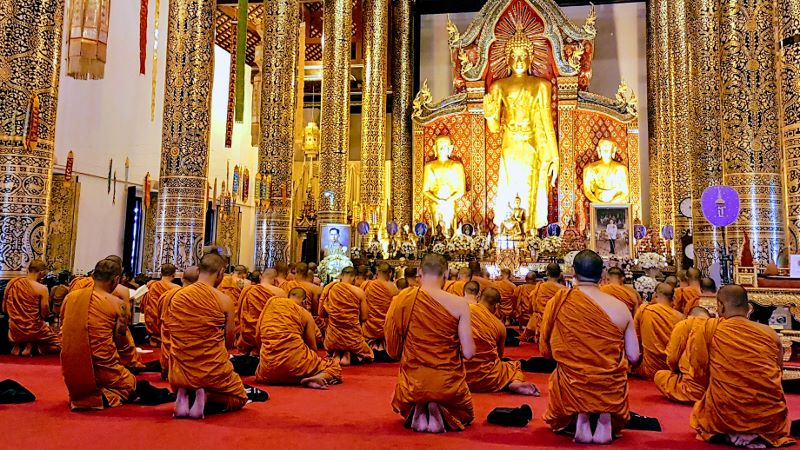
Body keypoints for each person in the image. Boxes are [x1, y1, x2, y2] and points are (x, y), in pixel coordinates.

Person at [540, 250, 639, 444]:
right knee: (612, 370)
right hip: (609, 385)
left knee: (566, 370)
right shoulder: (620, 307)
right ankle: (604, 418)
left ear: (573, 273)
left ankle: (582, 416)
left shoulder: (560, 302)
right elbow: (634, 356)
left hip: (572, 382)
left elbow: (546, 350)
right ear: (602, 274)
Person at [689, 285, 793, 448]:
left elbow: (697, 371)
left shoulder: (709, 329)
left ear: (720, 306)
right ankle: (755, 432)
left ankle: (732, 430)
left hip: (725, 415)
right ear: (749, 308)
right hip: (768, 419)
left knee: (700, 409)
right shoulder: (770, 334)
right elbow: (779, 369)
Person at [386, 253, 475, 433]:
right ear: (447, 273)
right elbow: (469, 353)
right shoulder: (460, 304)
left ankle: (420, 406)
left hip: (414, 381)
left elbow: (392, 347)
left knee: (415, 385)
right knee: (464, 412)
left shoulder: (402, 299)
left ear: (419, 272)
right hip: (447, 383)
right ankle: (438, 407)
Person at [163, 253, 248, 419]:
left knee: (188, 378)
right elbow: (230, 341)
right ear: (221, 273)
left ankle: (185, 393)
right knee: (238, 397)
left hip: (178, 372)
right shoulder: (224, 300)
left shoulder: (175, 297)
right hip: (210, 371)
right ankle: (207, 395)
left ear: (198, 270)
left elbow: (168, 334)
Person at [60, 259, 136, 410]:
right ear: (116, 280)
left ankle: (84, 394)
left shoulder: (70, 298)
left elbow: (63, 328)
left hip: (72, 370)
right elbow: (121, 341)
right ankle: (99, 398)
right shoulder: (117, 304)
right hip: (104, 369)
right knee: (130, 383)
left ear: (93, 275)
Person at [255, 287, 342, 388]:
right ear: (305, 301)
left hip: (268, 373)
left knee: (260, 369)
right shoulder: (304, 313)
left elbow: (258, 337)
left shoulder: (270, 306)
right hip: (297, 366)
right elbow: (313, 348)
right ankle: (317, 377)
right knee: (333, 368)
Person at [465, 287, 539, 395]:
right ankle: (514, 383)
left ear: (479, 297)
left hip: (459, 376)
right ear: (497, 306)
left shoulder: (464, 311)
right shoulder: (499, 326)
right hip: (486, 379)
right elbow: (499, 356)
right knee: (513, 367)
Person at [654, 306, 711, 403]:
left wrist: (676, 371)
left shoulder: (685, 324)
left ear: (688, 316)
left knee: (660, 376)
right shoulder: (717, 327)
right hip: (715, 388)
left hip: (692, 387)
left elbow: (672, 358)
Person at [3, 259, 60, 356]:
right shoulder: (42, 288)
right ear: (41, 273)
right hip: (33, 329)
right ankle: (33, 346)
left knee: (22, 322)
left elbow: (4, 308)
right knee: (60, 344)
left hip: (14, 328)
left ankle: (18, 345)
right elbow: (44, 314)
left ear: (28, 270)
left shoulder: (12, 283)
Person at [319, 267, 373, 365]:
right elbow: (364, 317)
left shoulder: (330, 288)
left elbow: (321, 313)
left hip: (332, 338)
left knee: (334, 338)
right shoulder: (359, 292)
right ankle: (348, 353)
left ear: (340, 276)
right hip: (352, 338)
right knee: (368, 354)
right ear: (354, 278)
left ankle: (336, 353)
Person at [632, 283, 684, 380]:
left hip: (648, 368)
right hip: (670, 371)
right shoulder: (680, 317)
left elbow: (635, 339)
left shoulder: (644, 310)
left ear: (655, 295)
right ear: (673, 298)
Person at [158, 266, 199, 380]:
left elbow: (159, 319)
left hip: (168, 346)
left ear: (181, 279)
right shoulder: (201, 298)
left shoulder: (167, 296)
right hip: (192, 356)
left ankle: (168, 366)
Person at [235, 269, 287, 355]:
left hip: (248, 335)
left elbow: (239, 312)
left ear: (261, 277)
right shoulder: (280, 292)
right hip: (268, 336)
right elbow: (283, 318)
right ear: (275, 280)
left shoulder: (247, 290)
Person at [362, 262, 400, 356]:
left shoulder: (367, 285)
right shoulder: (393, 287)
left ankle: (372, 346)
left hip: (370, 325)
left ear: (377, 272)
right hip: (385, 325)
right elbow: (396, 308)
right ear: (390, 273)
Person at [522, 263, 564, 342]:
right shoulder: (564, 290)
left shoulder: (540, 286)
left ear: (547, 273)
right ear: (559, 274)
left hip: (541, 320)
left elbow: (532, 303)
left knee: (536, 315)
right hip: (557, 322)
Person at [142, 264, 180, 345]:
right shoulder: (176, 288)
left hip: (152, 325)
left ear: (160, 274)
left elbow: (144, 306)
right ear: (174, 275)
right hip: (166, 326)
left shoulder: (151, 285)